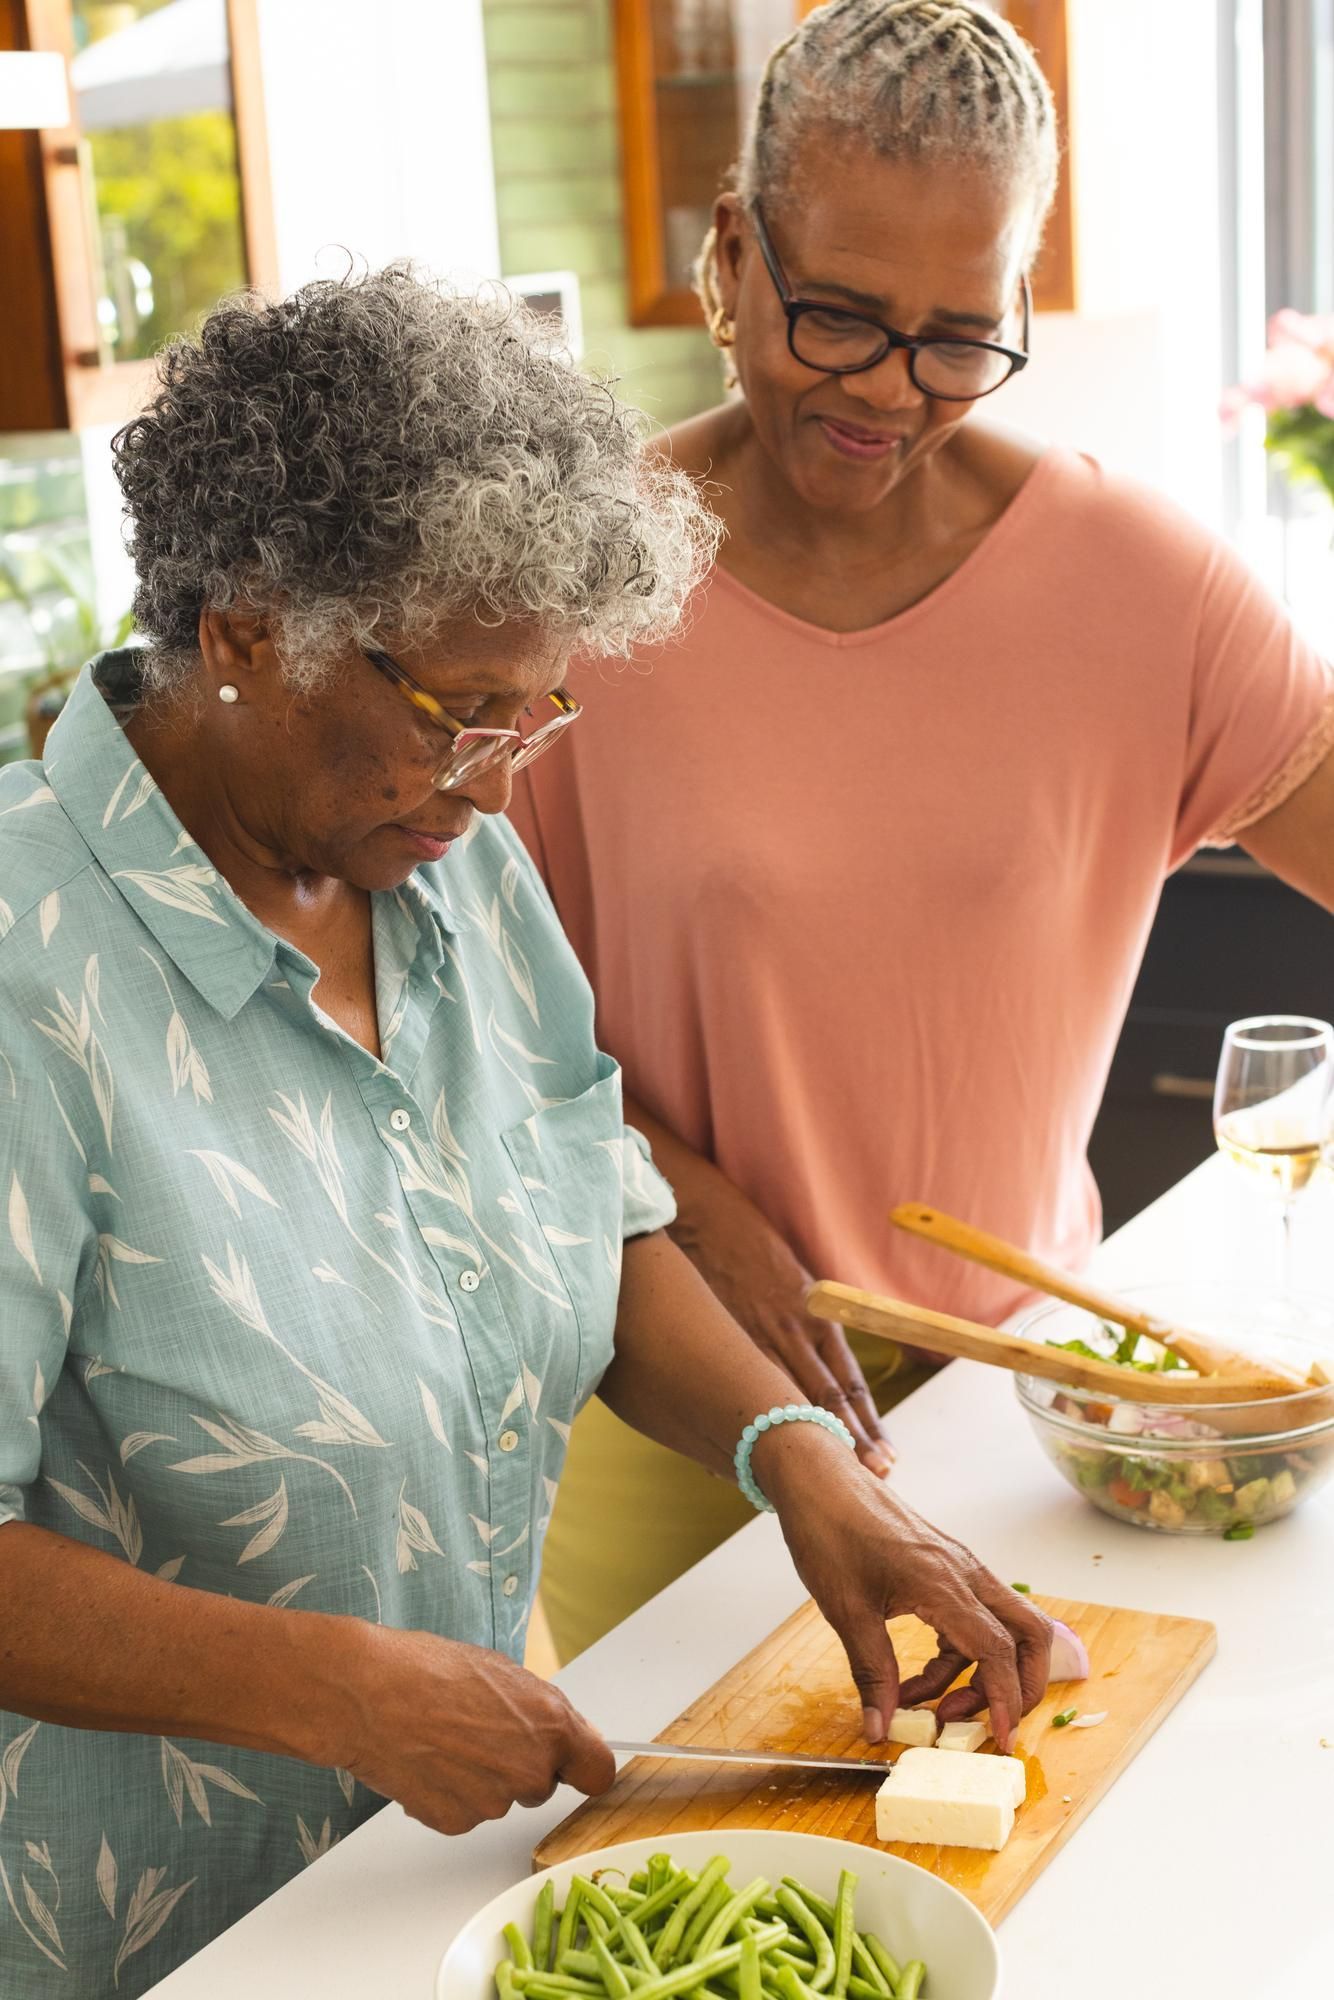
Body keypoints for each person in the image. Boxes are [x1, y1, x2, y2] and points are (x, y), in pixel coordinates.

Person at [0, 267, 1054, 1999]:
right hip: (159, 1942)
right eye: (457, 713)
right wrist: (337, 1687)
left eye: (535, 712)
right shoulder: (31, 977)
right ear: (248, 631)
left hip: (439, 1895)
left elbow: (591, 1213)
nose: (499, 784)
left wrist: (792, 1457)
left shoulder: (450, 867)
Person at [509, 0, 1334, 1664]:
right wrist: (660, 1192)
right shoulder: (558, 603)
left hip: (1023, 1425)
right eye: (837, 317)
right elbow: (456, 1050)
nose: (889, 393)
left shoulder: (1142, 595)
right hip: (681, 1416)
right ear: (731, 255)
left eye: (957, 337)